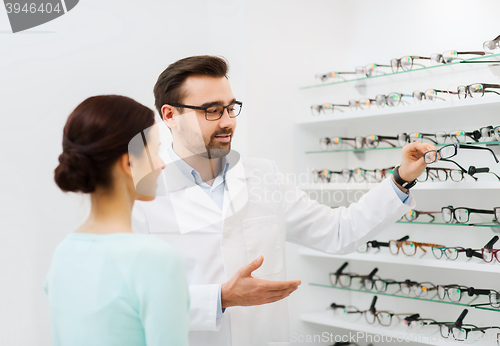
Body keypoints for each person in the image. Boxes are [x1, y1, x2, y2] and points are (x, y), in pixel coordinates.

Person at [131, 56, 437, 346]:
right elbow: (135, 303)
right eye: (211, 110)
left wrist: (400, 179)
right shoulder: (140, 194)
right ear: (170, 115)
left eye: (231, 108)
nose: (227, 122)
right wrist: (221, 298)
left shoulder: (264, 176)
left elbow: (338, 232)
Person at [45, 95, 189, 346]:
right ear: (128, 162)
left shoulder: (63, 254)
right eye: (154, 151)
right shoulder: (156, 260)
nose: (162, 164)